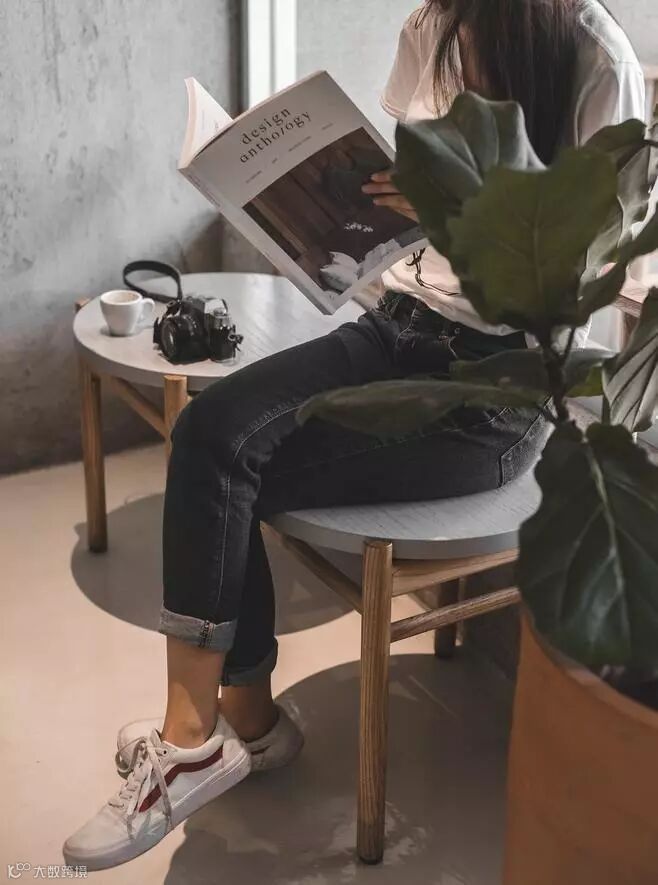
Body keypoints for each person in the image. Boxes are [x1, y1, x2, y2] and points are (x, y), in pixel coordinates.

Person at [64, 0, 645, 870]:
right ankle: (242, 725)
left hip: (495, 388)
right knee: (211, 431)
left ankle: (201, 736)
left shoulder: (595, 57)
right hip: (394, 326)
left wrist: (465, 203)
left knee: (228, 469)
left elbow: (597, 265)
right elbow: (399, 198)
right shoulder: (434, 26)